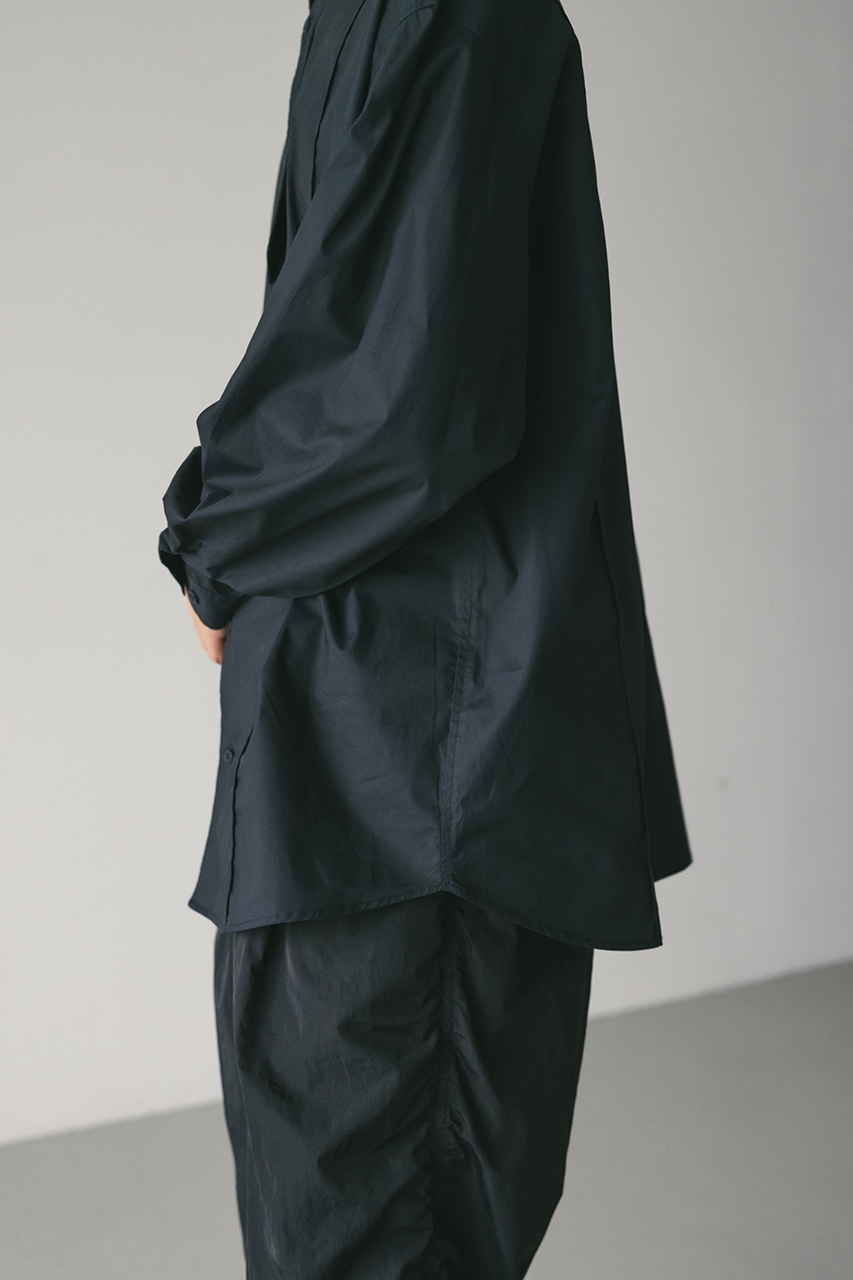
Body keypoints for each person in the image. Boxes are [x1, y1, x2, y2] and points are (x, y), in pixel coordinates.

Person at [159, 0, 693, 1274]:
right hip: (378, 732)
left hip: (414, 757)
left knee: (375, 1218)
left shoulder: (446, 15)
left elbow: (405, 394)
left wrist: (217, 543)